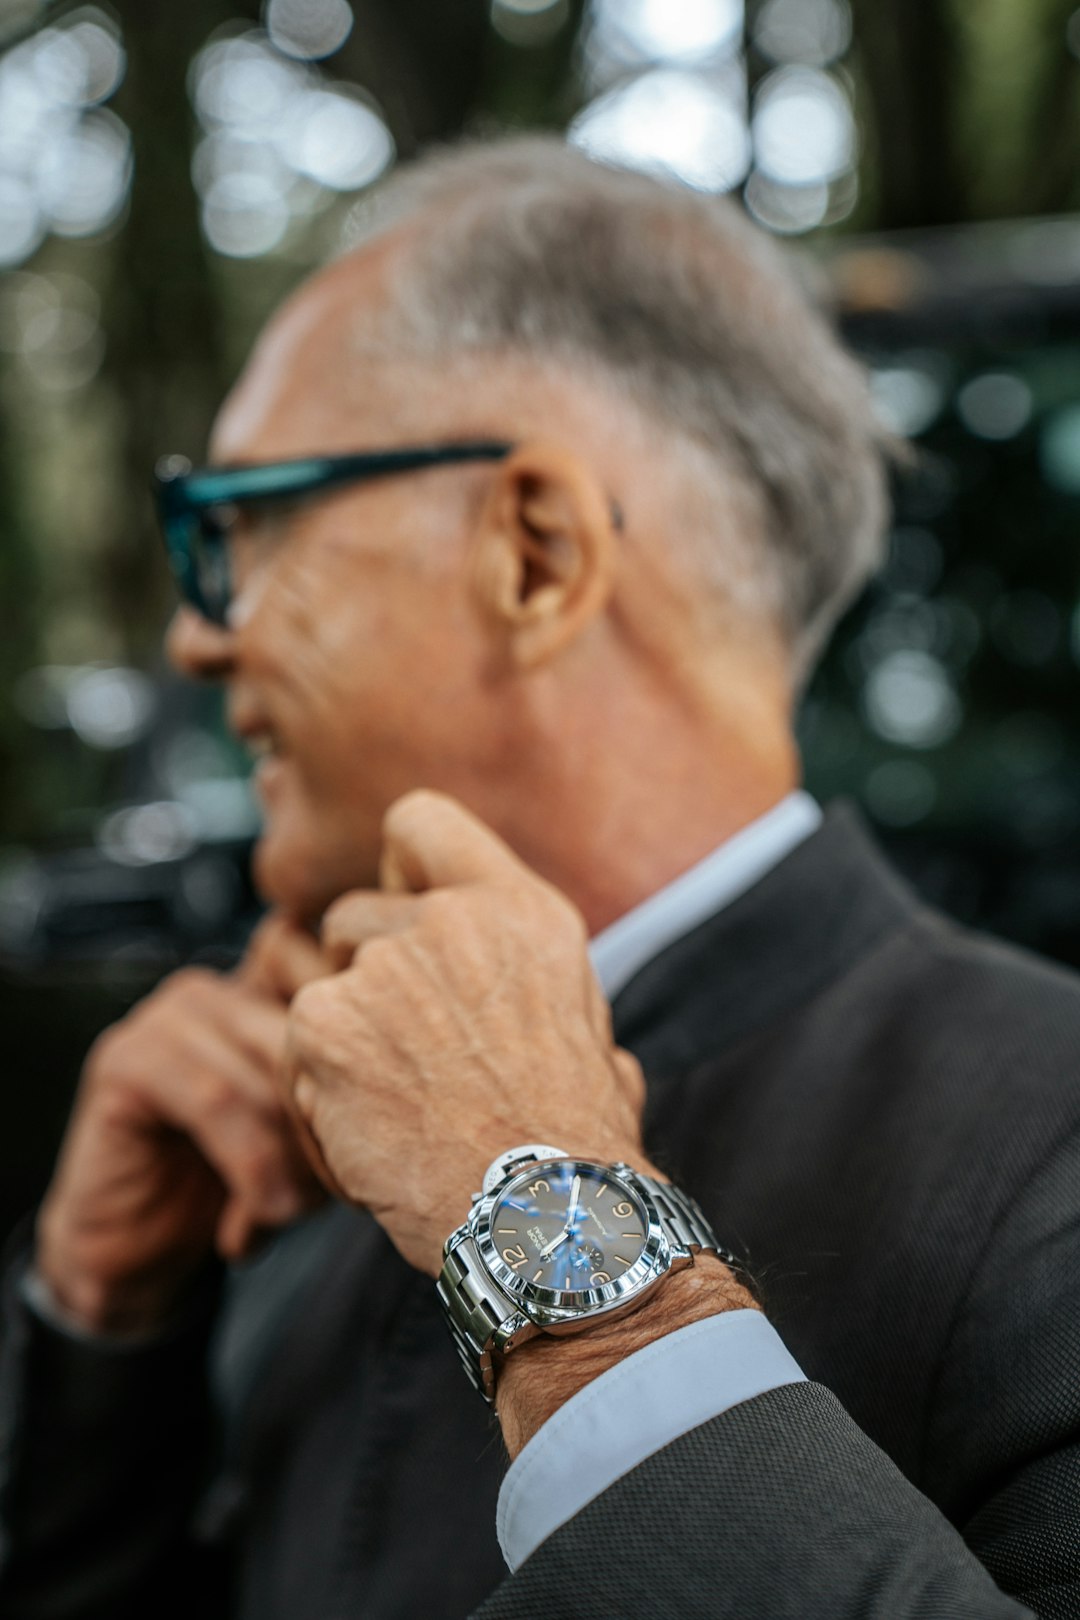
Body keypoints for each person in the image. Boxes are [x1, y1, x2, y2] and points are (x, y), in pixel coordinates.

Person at [0, 134, 1076, 1619]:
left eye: (240, 526)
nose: (197, 636)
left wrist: (545, 1224)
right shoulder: (282, 1158)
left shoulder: (1053, 1158)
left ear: (535, 550)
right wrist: (104, 1333)